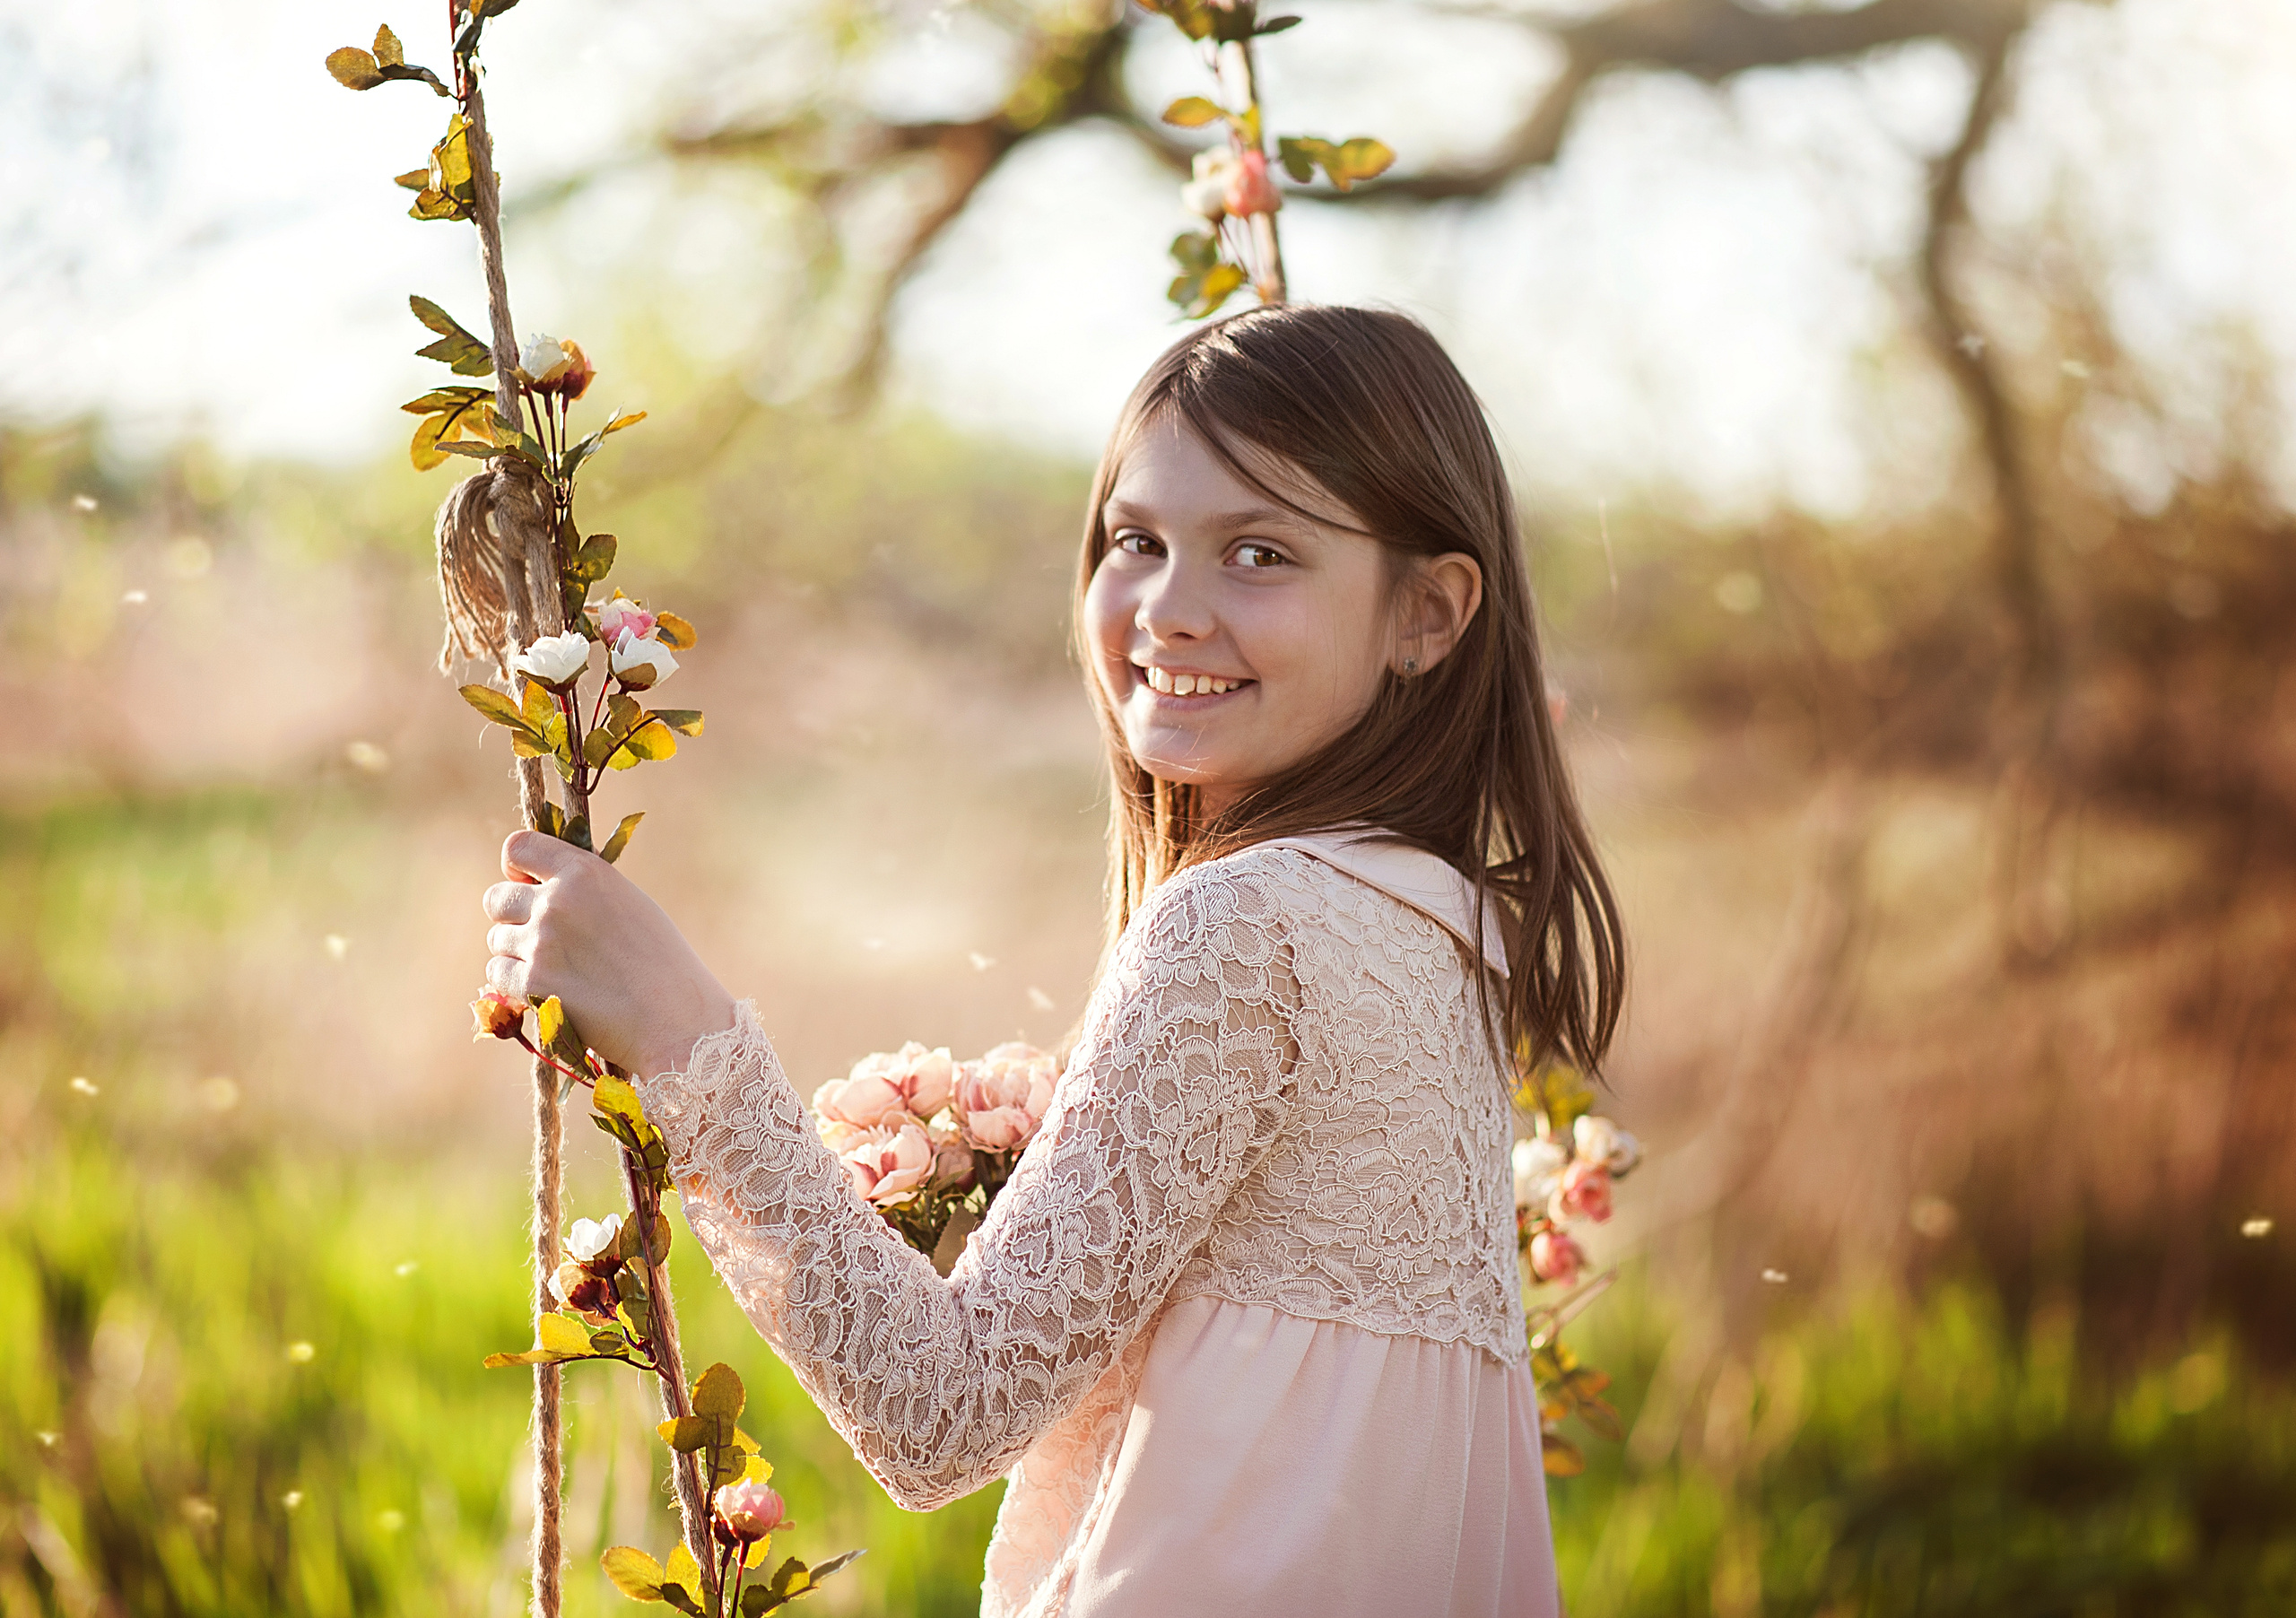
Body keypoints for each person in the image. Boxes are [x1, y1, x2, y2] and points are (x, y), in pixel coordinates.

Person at [479, 304, 1625, 1617]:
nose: (1170, 610)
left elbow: (941, 1415)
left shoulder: (1247, 928)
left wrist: (677, 1030)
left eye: (1259, 552)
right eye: (1137, 541)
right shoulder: (1451, 926)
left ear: (1427, 610)